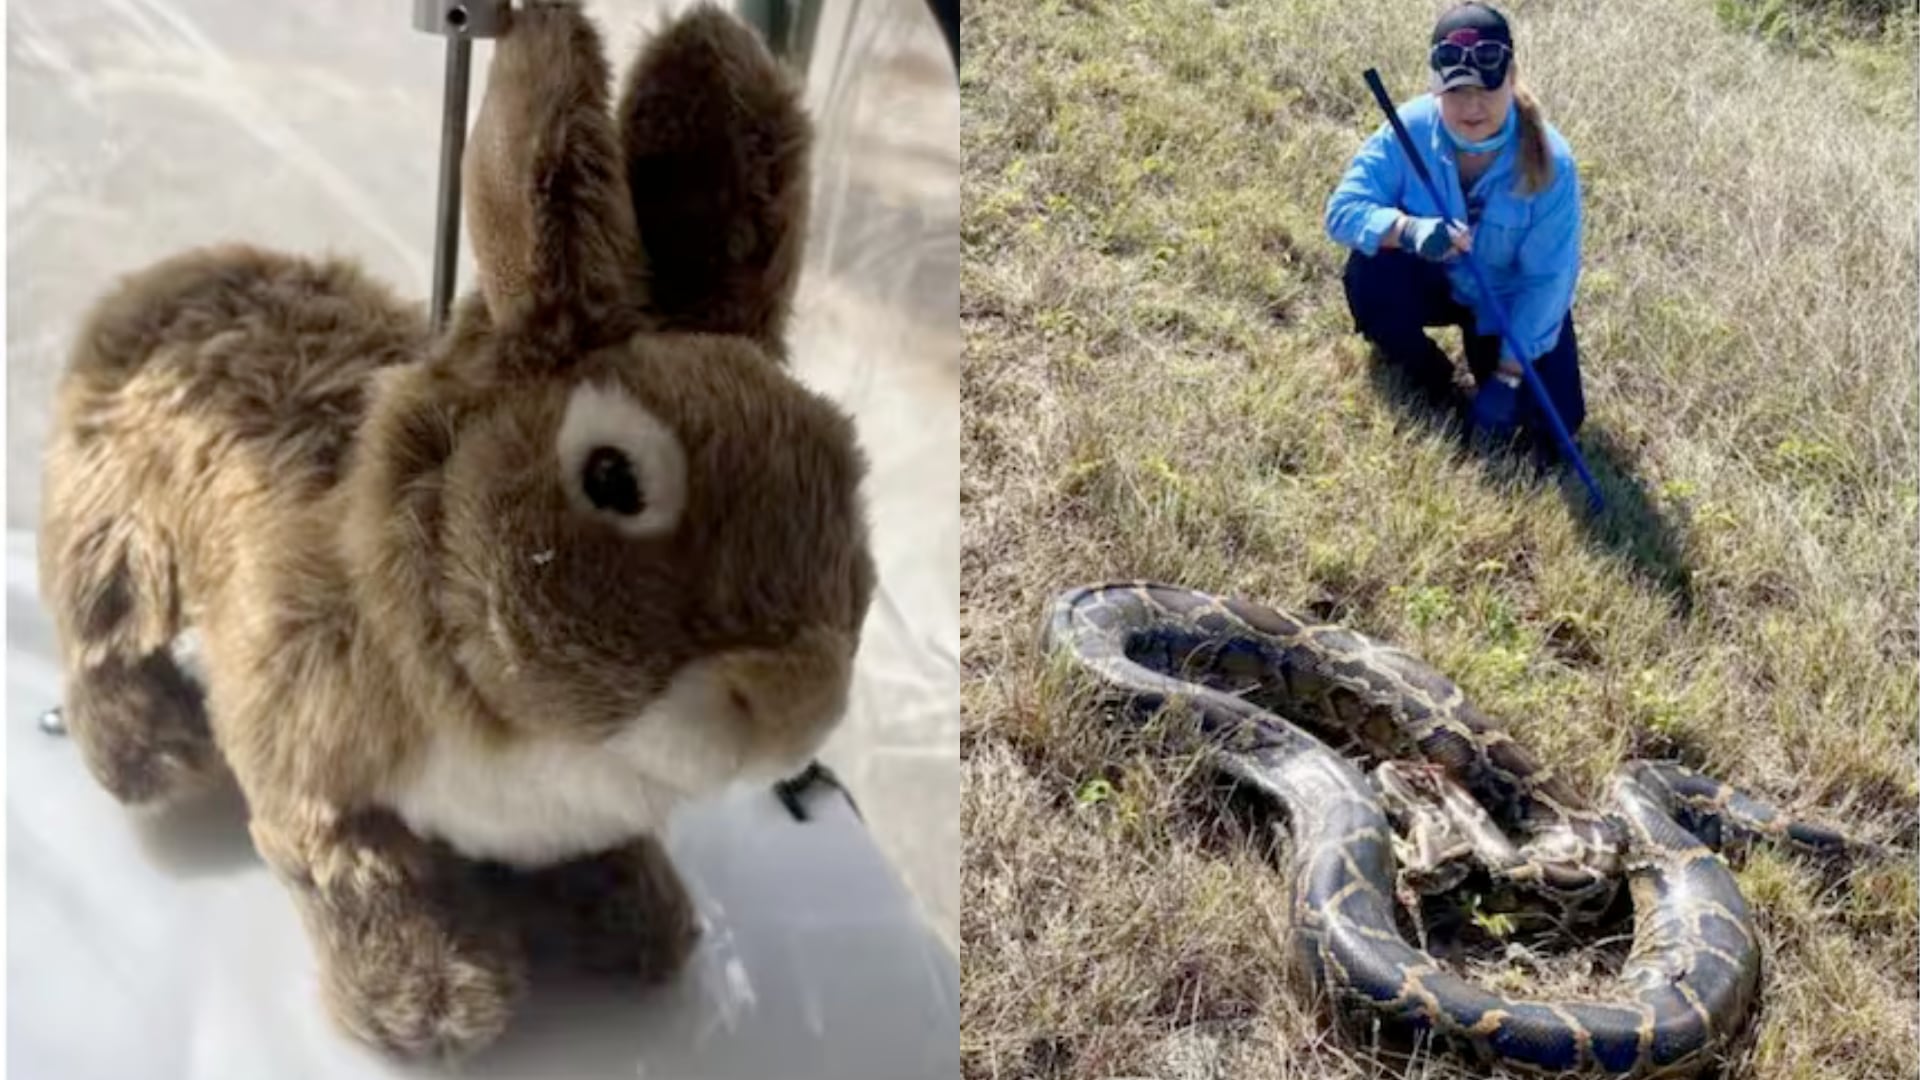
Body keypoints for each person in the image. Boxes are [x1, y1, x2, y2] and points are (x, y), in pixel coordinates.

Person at [1324, 2, 1585, 456]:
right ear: (1435, 86)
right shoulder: (1408, 127)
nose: (1472, 105)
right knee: (1370, 273)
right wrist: (1406, 231)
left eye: (1487, 87)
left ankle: (1493, 371)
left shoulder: (1553, 164)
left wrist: (1508, 374)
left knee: (1556, 426)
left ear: (1511, 76)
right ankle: (1430, 375)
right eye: (1456, 90)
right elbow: (1343, 211)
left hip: (1503, 301)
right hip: (1435, 281)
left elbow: (1547, 281)